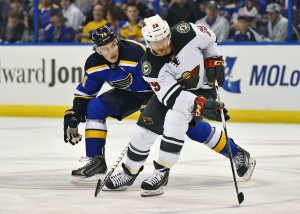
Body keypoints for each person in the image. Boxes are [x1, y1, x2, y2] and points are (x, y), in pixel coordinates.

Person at [104, 15, 256, 197]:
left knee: (175, 120)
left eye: (162, 39)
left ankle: (161, 172)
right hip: (175, 95)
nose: (160, 46)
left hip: (202, 88)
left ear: (168, 33)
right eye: (154, 42)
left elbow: (210, 39)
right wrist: (200, 105)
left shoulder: (186, 32)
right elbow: (174, 97)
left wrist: (213, 60)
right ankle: (129, 172)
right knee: (143, 129)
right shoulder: (149, 66)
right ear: (147, 41)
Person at [63, 25, 153, 182]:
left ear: (117, 41)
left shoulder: (135, 53)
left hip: (154, 93)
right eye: (105, 48)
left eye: (113, 45)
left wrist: (151, 102)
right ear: (97, 50)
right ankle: (96, 160)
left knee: (188, 124)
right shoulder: (94, 64)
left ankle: (212, 142)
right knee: (95, 106)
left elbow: (159, 79)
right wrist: (75, 114)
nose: (111, 51)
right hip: (127, 95)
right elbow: (85, 94)